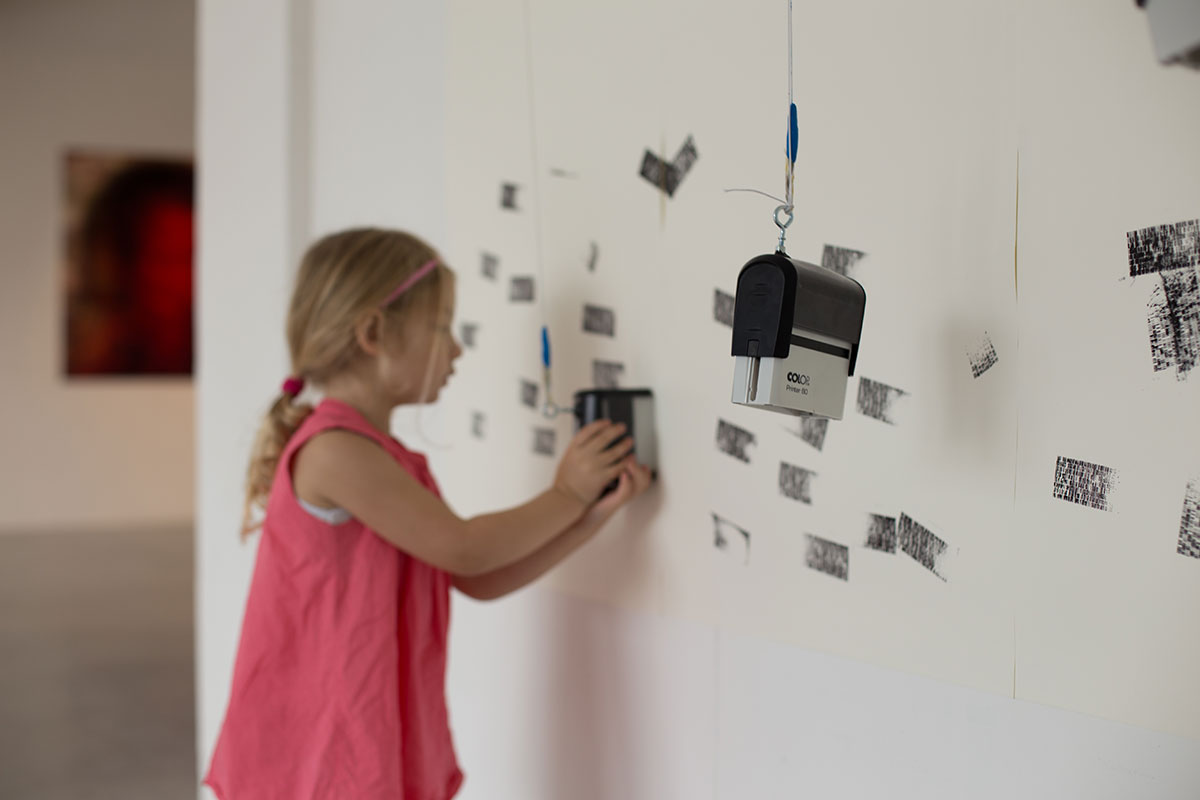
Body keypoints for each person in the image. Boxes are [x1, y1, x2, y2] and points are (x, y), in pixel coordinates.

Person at [204, 228, 653, 800]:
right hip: (323, 744)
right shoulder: (335, 451)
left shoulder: (385, 458)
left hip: (370, 727)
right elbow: (464, 547)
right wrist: (564, 494)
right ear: (373, 333)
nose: (457, 349)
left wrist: (590, 515)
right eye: (444, 328)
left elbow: (474, 576)